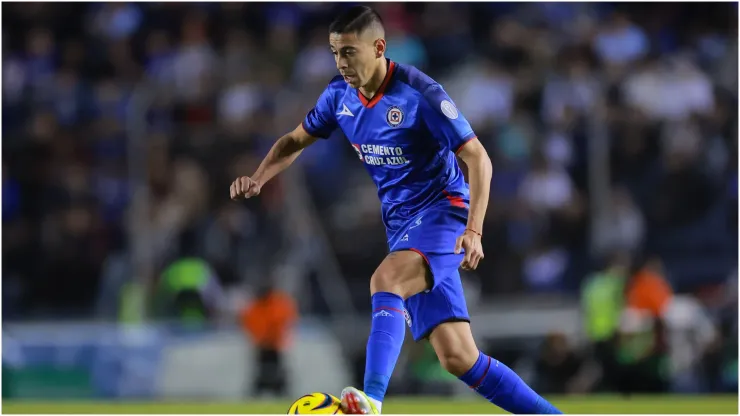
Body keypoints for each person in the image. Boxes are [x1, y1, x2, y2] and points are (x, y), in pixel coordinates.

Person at [230, 6, 561, 414]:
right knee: (459, 358)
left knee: (385, 279)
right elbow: (293, 142)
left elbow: (478, 158)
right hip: (403, 227)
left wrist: (473, 230)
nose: (341, 63)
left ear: (379, 47)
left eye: (349, 52)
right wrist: (259, 177)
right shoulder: (338, 96)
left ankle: (372, 400)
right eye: (335, 53)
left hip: (445, 214)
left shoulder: (419, 93)